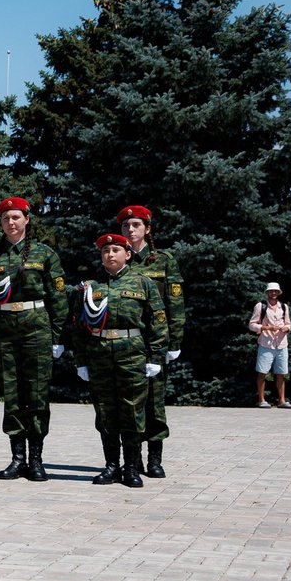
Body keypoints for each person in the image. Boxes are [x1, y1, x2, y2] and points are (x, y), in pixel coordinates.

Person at [0, 197, 67, 482]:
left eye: (15, 217)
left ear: (27, 219)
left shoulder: (44, 254)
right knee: (12, 395)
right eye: (5, 218)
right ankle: (17, 458)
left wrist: (57, 337)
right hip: (4, 330)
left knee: (37, 394)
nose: (10, 222)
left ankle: (36, 459)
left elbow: (58, 299)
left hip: (36, 328)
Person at [73, 233, 168, 487]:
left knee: (133, 411)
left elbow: (158, 321)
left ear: (127, 254)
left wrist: (156, 356)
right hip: (100, 353)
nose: (110, 254)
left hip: (132, 353)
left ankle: (131, 467)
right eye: (105, 251)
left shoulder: (143, 283)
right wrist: (81, 361)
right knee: (105, 411)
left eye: (115, 250)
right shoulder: (90, 286)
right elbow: (79, 327)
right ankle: (111, 466)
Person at [117, 204, 185, 477]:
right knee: (127, 403)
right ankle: (132, 461)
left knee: (154, 402)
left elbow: (175, 304)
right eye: (125, 226)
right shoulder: (117, 258)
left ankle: (155, 459)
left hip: (155, 341)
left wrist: (174, 342)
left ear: (147, 229)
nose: (130, 230)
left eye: (135, 225)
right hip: (126, 343)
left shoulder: (163, 261)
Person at [249, 283, 291, 408]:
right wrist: (265, 327)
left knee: (281, 373)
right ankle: (261, 400)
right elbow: (252, 325)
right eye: (271, 291)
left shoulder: (284, 306)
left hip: (281, 344)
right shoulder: (261, 306)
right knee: (262, 372)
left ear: (278, 292)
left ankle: (282, 401)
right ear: (267, 292)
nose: (273, 293)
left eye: (275, 291)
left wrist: (286, 328)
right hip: (266, 344)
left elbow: (288, 324)